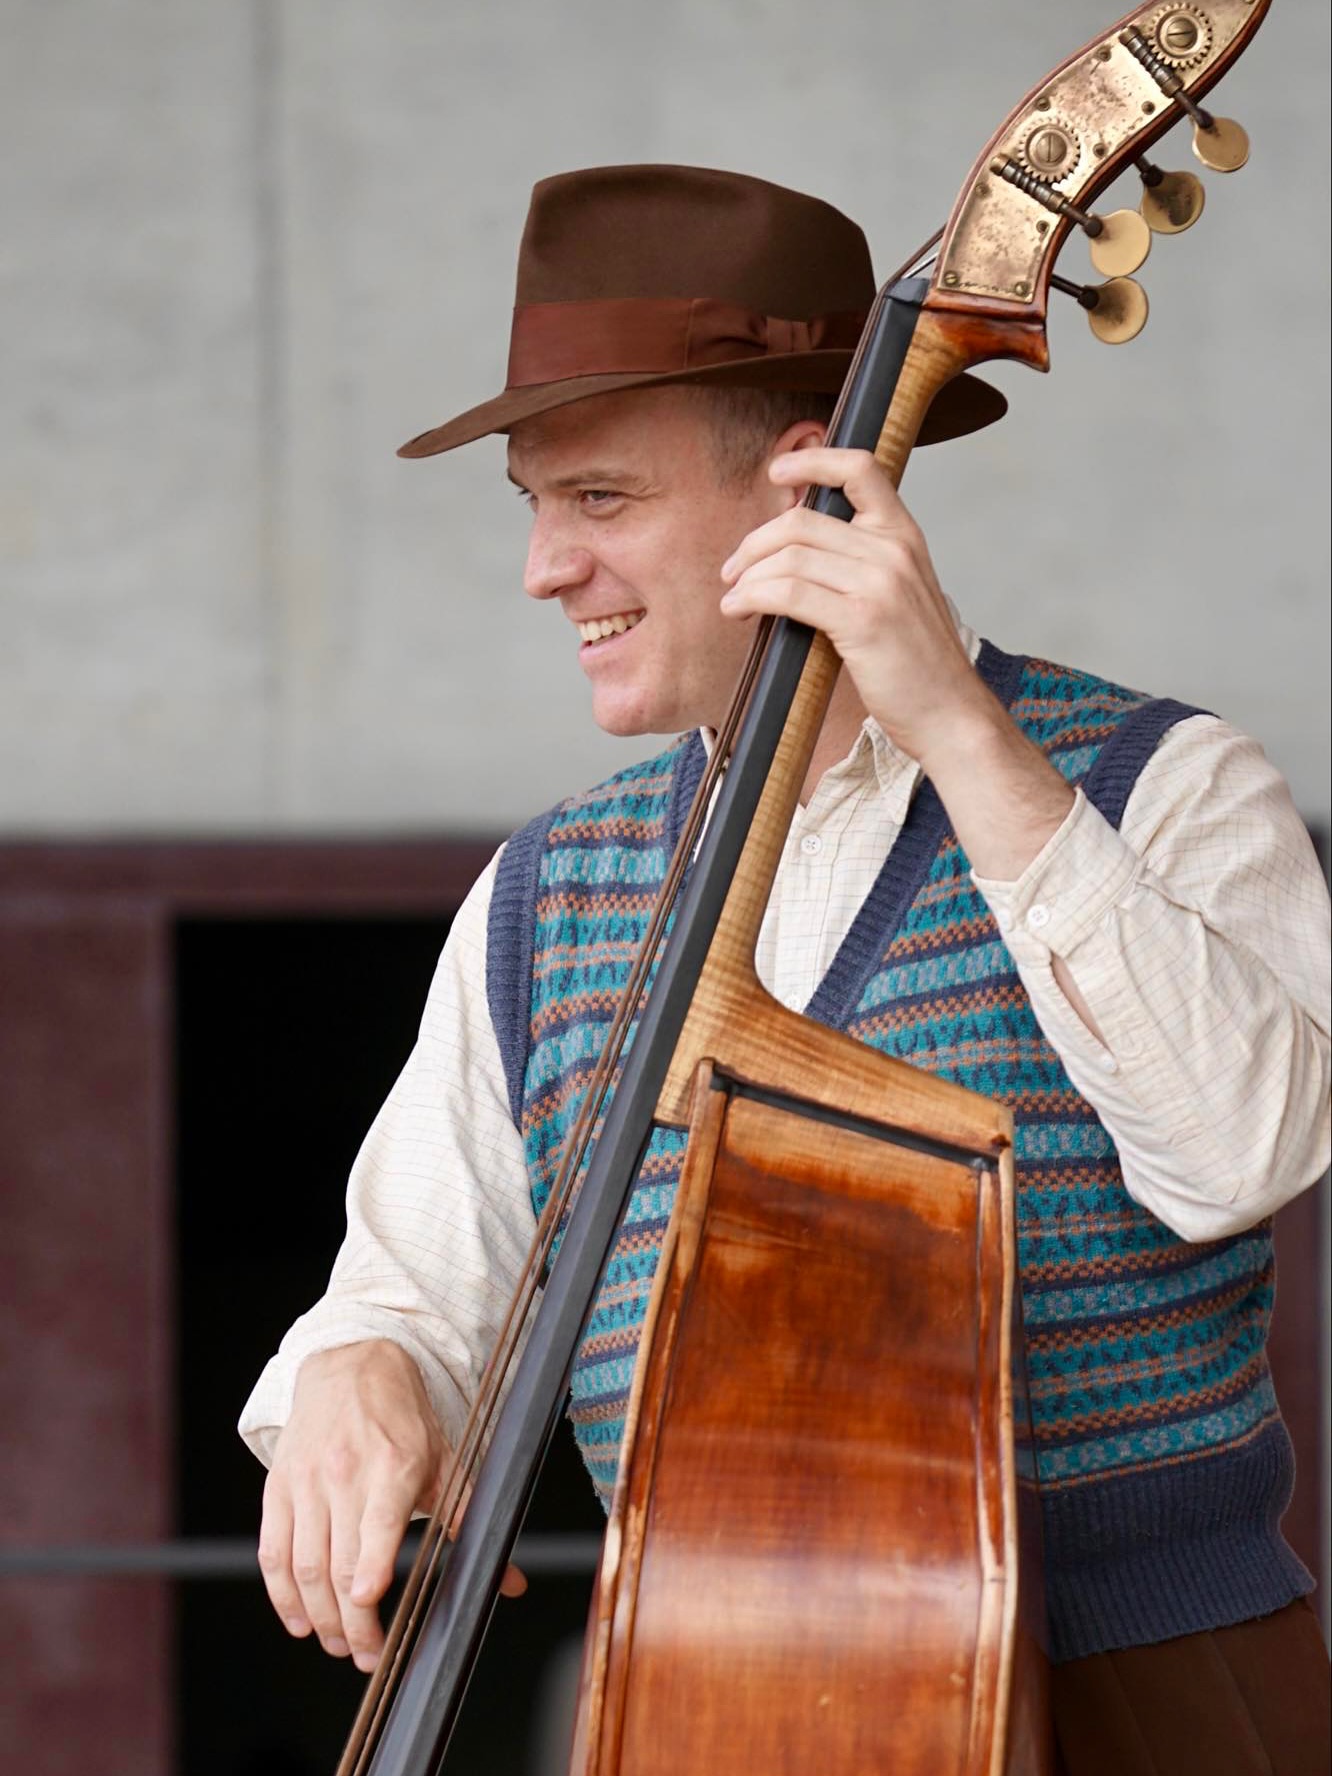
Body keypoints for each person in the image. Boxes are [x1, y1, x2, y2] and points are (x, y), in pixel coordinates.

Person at [239, 165, 1331, 1771]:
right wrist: (355, 1373)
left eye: (601, 500)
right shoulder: (544, 897)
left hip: (1153, 1706)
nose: (546, 568)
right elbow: (411, 1284)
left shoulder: (1157, 787)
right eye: (535, 508)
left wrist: (959, 725)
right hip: (717, 1710)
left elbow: (1247, 1153)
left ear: (808, 490)